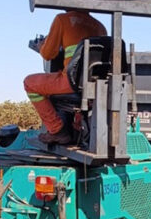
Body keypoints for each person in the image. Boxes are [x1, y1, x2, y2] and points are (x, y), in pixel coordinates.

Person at [25, 10, 107, 144]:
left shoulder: (62, 19)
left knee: (29, 83)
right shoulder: (100, 27)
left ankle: (57, 130)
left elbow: (48, 54)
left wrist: (41, 46)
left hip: (72, 82)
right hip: (97, 85)